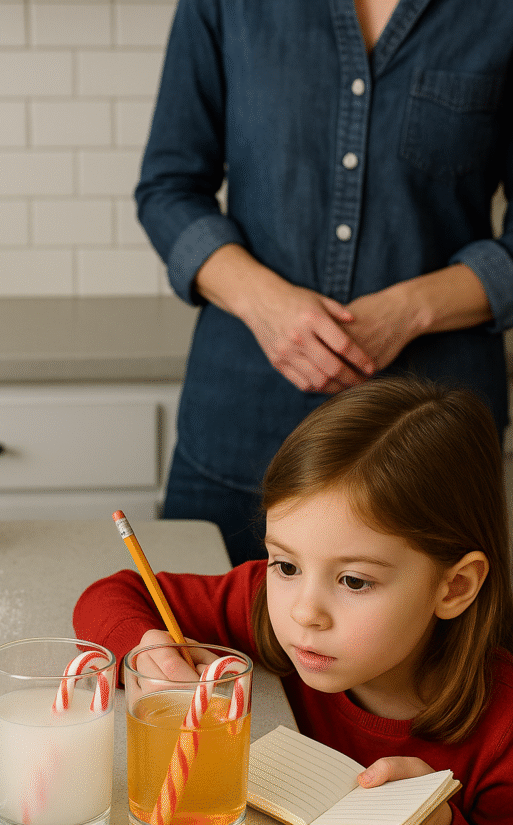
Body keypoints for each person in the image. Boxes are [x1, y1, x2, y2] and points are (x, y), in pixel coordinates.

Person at [73, 377, 513, 825]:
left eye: (354, 580)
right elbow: (112, 595)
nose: (304, 611)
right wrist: (150, 651)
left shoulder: (501, 728)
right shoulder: (266, 607)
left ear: (454, 587)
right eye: (285, 564)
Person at [135, 0, 513, 566]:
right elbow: (168, 188)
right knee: (194, 619)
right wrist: (264, 303)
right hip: (240, 426)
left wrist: (411, 310)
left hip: (431, 441)